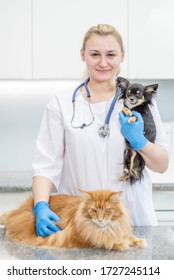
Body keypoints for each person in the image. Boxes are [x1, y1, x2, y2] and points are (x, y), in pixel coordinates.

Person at [32, 24, 169, 237]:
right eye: (95, 54)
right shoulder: (62, 104)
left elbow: (162, 165)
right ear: (83, 55)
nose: (103, 63)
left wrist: (140, 142)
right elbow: (46, 166)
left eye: (111, 54)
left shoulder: (143, 104)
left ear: (122, 56)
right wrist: (40, 206)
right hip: (82, 220)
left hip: (134, 219)